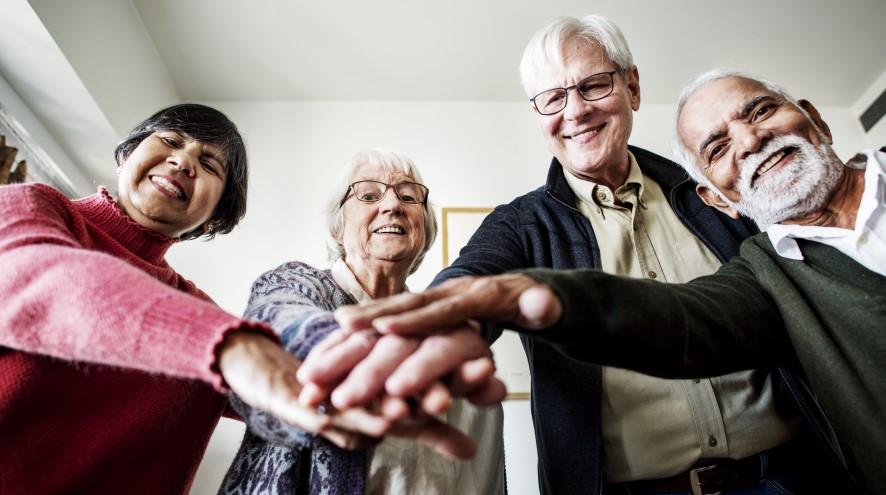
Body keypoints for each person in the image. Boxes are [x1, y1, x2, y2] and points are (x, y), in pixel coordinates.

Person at [300, 15, 825, 495]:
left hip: (791, 475)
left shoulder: (714, 188)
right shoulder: (520, 224)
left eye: (593, 85)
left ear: (632, 87)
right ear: (538, 114)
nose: (575, 111)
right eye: (552, 98)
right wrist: (434, 331)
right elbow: (470, 279)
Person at [0, 103, 337, 494]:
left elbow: (301, 386)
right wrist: (233, 347)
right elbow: (47, 278)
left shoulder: (201, 312)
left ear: (215, 217)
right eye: (171, 140)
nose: (182, 161)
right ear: (127, 156)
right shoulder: (29, 206)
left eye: (209, 164)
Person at [220, 149, 506, 495]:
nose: (392, 206)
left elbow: (481, 474)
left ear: (425, 231)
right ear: (339, 229)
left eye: (408, 196)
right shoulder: (297, 284)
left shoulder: (451, 337)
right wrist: (337, 350)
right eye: (369, 195)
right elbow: (280, 320)